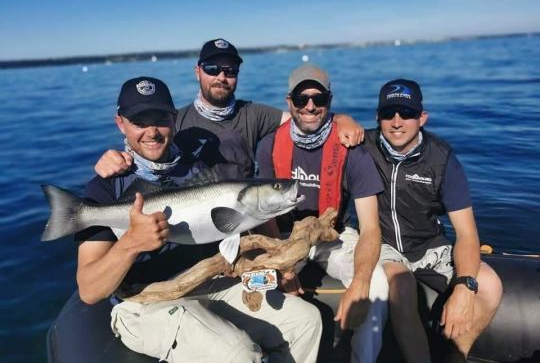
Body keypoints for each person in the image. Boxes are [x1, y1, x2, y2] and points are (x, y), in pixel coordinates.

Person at [76, 76, 323, 362]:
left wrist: (272, 264)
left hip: (208, 283)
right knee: (239, 354)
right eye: (140, 122)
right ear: (121, 123)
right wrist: (130, 244)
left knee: (306, 321)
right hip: (143, 303)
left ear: (174, 118)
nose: (152, 132)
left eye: (161, 119)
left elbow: (231, 234)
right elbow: (90, 290)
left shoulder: (197, 170)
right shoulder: (106, 187)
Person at [255, 64, 389, 363]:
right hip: (286, 237)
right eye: (302, 99)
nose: (311, 106)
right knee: (257, 283)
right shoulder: (269, 146)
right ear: (289, 101)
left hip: (336, 236)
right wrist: (283, 263)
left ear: (330, 100)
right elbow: (266, 216)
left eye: (319, 99)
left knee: (378, 283)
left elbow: (370, 227)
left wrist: (362, 280)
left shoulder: (353, 148)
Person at [363, 79, 503, 362]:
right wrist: (341, 120)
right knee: (400, 284)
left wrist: (464, 286)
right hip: (384, 244)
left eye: (407, 113)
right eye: (389, 113)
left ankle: (457, 356)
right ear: (378, 117)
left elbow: (466, 234)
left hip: (429, 245)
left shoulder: (442, 159)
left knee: (490, 285)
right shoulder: (362, 147)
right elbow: (326, 126)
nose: (397, 122)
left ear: (422, 117)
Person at [95, 38, 363, 179]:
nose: (222, 77)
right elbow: (146, 147)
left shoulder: (254, 114)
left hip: (244, 216)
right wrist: (117, 158)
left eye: (230, 70)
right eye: (213, 69)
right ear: (197, 72)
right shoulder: (175, 121)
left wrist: (342, 119)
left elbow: (305, 117)